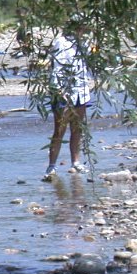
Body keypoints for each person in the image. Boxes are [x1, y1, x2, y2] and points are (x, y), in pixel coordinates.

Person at [42, 16, 93, 181]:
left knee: (77, 128)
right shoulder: (61, 42)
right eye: (82, 27)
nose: (84, 30)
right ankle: (51, 166)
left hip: (81, 91)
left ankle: (76, 162)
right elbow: (57, 67)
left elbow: (86, 66)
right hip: (64, 92)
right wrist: (57, 90)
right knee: (59, 130)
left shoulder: (83, 43)